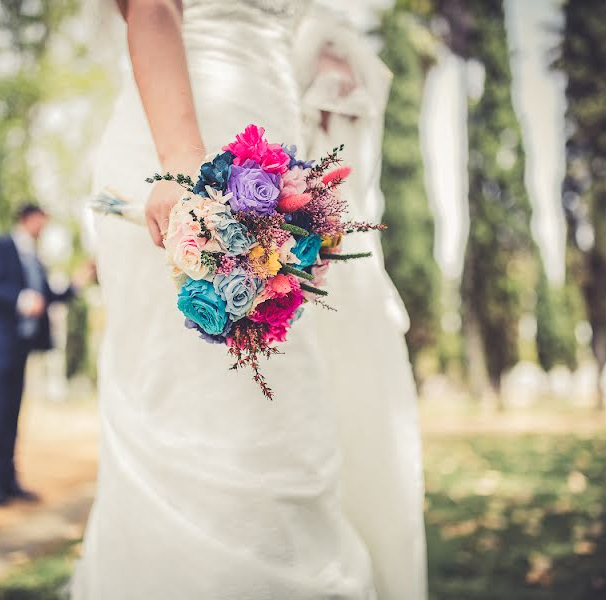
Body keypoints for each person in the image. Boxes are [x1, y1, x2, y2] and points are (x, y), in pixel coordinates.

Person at [71, 1, 427, 598]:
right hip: (187, 139)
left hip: (274, 137)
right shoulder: (187, 164)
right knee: (203, 412)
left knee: (285, 413)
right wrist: (187, 170)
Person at [0, 203, 95, 506]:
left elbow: (47, 296)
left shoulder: (35, 260)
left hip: (19, 347)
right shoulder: (0, 246)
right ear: (27, 218)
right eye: (41, 221)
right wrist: (20, 298)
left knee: (12, 413)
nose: (43, 227)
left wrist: (76, 283)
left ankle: (9, 481)